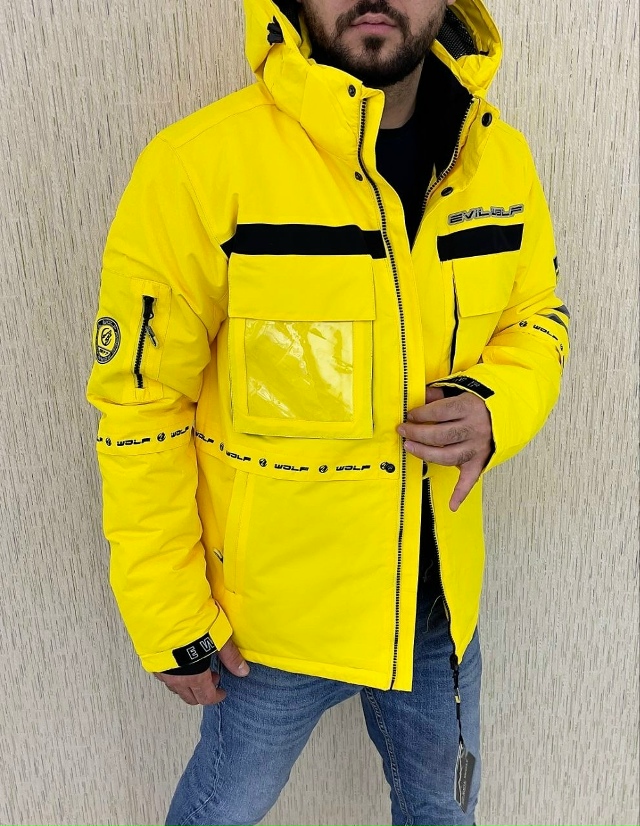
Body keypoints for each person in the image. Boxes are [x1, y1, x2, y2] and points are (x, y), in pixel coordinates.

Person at [86, 0, 570, 823]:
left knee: (446, 813)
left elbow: (539, 318)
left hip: (434, 608)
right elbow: (141, 403)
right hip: (266, 631)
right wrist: (168, 611)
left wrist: (498, 407)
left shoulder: (498, 159)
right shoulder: (199, 167)